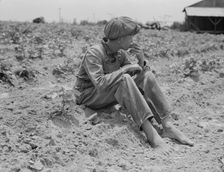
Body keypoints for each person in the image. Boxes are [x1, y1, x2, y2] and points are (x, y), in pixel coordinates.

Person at [74, 16, 193, 155]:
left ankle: (167, 126)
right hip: (88, 96)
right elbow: (100, 83)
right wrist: (124, 69)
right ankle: (152, 135)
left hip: (106, 93)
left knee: (147, 76)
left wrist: (141, 59)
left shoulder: (119, 53)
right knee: (124, 78)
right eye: (130, 37)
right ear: (120, 38)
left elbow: (136, 76)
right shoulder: (94, 52)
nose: (133, 40)